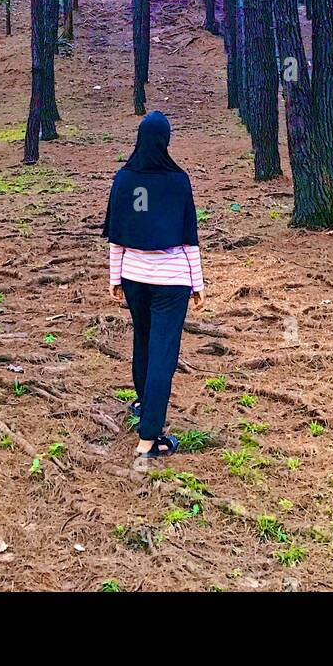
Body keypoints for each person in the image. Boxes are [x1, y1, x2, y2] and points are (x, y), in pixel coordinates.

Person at [103, 111, 205, 460]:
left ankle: (144, 407)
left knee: (143, 341)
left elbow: (117, 238)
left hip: (134, 279)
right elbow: (189, 238)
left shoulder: (124, 179)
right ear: (166, 140)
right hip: (171, 282)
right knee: (163, 352)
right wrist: (197, 283)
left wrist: (115, 278)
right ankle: (149, 438)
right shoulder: (178, 181)